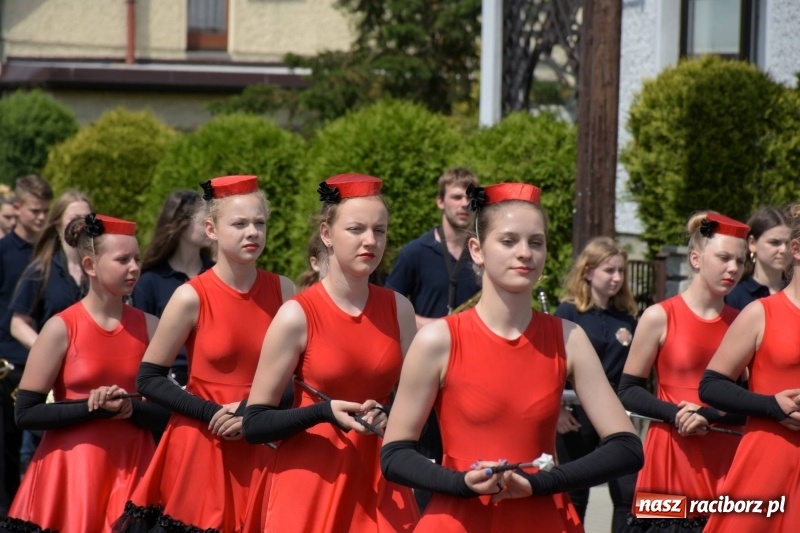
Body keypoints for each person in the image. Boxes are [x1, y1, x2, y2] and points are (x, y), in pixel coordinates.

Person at [381, 182, 643, 533]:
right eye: (508, 241)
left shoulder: (568, 338)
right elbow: (395, 453)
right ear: (477, 249)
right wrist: (460, 482)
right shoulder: (438, 340)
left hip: (543, 519)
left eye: (536, 242)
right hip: (458, 520)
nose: (525, 253)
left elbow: (627, 447)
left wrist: (541, 483)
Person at [114, 175, 294, 532]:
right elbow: (148, 378)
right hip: (201, 443)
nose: (253, 233)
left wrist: (250, 415)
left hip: (261, 441)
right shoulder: (190, 296)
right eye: (239, 224)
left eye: (260, 223)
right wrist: (212, 413)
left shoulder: (284, 290)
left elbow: (299, 377)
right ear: (211, 229)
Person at [242, 174, 419, 533]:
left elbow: (417, 403)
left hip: (380, 480)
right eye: (356, 229)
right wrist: (322, 412)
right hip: (311, 481)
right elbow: (254, 422)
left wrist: (391, 414)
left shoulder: (399, 308)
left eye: (380, 231)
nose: (370, 241)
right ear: (327, 234)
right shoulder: (297, 314)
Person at [0, 213, 166, 532]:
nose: (134, 267)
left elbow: (166, 413)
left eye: (137, 258)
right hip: (72, 471)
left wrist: (130, 408)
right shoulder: (61, 328)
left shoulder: (151, 326)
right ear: (90, 265)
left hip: (134, 468)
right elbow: (26, 413)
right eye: (122, 259)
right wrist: (93, 408)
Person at [618, 212, 748, 532]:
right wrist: (677, 414)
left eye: (741, 261)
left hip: (725, 458)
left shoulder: (745, 322)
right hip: (669, 455)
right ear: (696, 258)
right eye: (724, 257)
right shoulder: (658, 316)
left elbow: (753, 399)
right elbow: (629, 390)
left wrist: (708, 414)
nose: (733, 268)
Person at [699, 204, 800, 532]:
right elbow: (711, 384)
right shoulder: (762, 312)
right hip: (767, 460)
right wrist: (771, 405)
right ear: (796, 250)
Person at [385, 167, 481, 510]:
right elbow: (390, 307)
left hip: (469, 370)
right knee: (424, 456)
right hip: (424, 368)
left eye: (471, 197)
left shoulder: (483, 254)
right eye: (456, 196)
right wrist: (438, 325)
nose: (464, 205)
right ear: (440, 202)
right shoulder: (414, 252)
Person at [554, 236, 639, 533]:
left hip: (615, 415)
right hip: (575, 418)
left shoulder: (627, 318)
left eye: (621, 271)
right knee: (575, 494)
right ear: (588, 272)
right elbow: (549, 369)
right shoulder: (568, 313)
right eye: (609, 271)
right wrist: (557, 412)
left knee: (627, 494)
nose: (616, 278)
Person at [8, 190, 92, 472]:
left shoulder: (99, 271)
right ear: (58, 224)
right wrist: (49, 352)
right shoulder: (40, 269)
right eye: (74, 219)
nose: (81, 225)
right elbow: (18, 322)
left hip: (90, 374)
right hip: (53, 378)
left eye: (87, 219)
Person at [0, 174, 52, 515]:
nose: (41, 217)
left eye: (46, 211)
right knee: (7, 449)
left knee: (43, 447)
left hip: (44, 360)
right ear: (16, 209)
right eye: (35, 210)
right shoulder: (3, 252)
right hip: (8, 364)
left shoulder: (49, 255)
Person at [132, 190, 213, 386]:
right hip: (170, 381)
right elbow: (141, 342)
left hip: (214, 377)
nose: (210, 226)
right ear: (180, 224)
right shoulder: (149, 281)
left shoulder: (217, 275)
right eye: (202, 220)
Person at [724, 206, 790, 311]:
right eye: (774, 242)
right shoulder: (734, 294)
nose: (784, 249)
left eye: (788, 243)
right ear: (752, 243)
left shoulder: (795, 291)